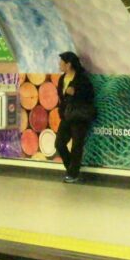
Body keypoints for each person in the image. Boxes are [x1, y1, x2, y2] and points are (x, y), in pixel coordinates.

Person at [55, 51, 96, 184]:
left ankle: (73, 174)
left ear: (69, 64)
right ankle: (72, 170)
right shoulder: (62, 79)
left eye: (62, 62)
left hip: (79, 116)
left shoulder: (81, 79)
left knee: (76, 146)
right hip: (67, 116)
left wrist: (76, 92)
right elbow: (61, 98)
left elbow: (90, 95)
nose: (59, 64)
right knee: (59, 144)